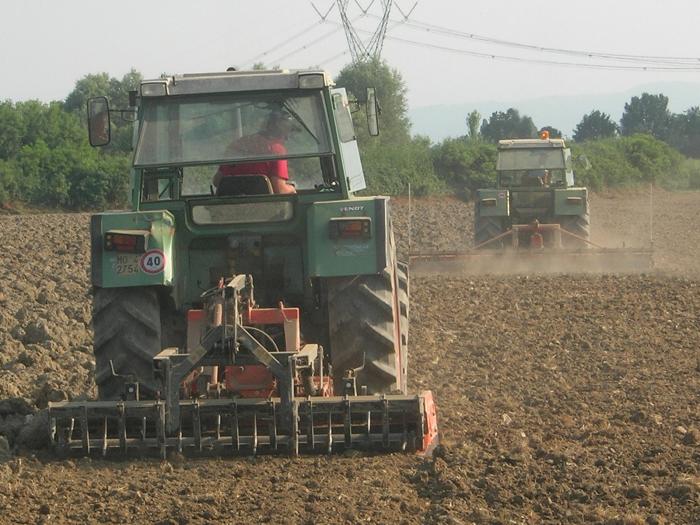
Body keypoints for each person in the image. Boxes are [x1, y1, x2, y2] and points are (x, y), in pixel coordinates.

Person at [213, 110, 296, 194]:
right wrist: (292, 188)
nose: (287, 138)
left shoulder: (237, 144)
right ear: (282, 133)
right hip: (263, 206)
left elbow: (217, 181)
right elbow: (280, 190)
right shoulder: (277, 150)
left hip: (227, 205)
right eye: (287, 134)